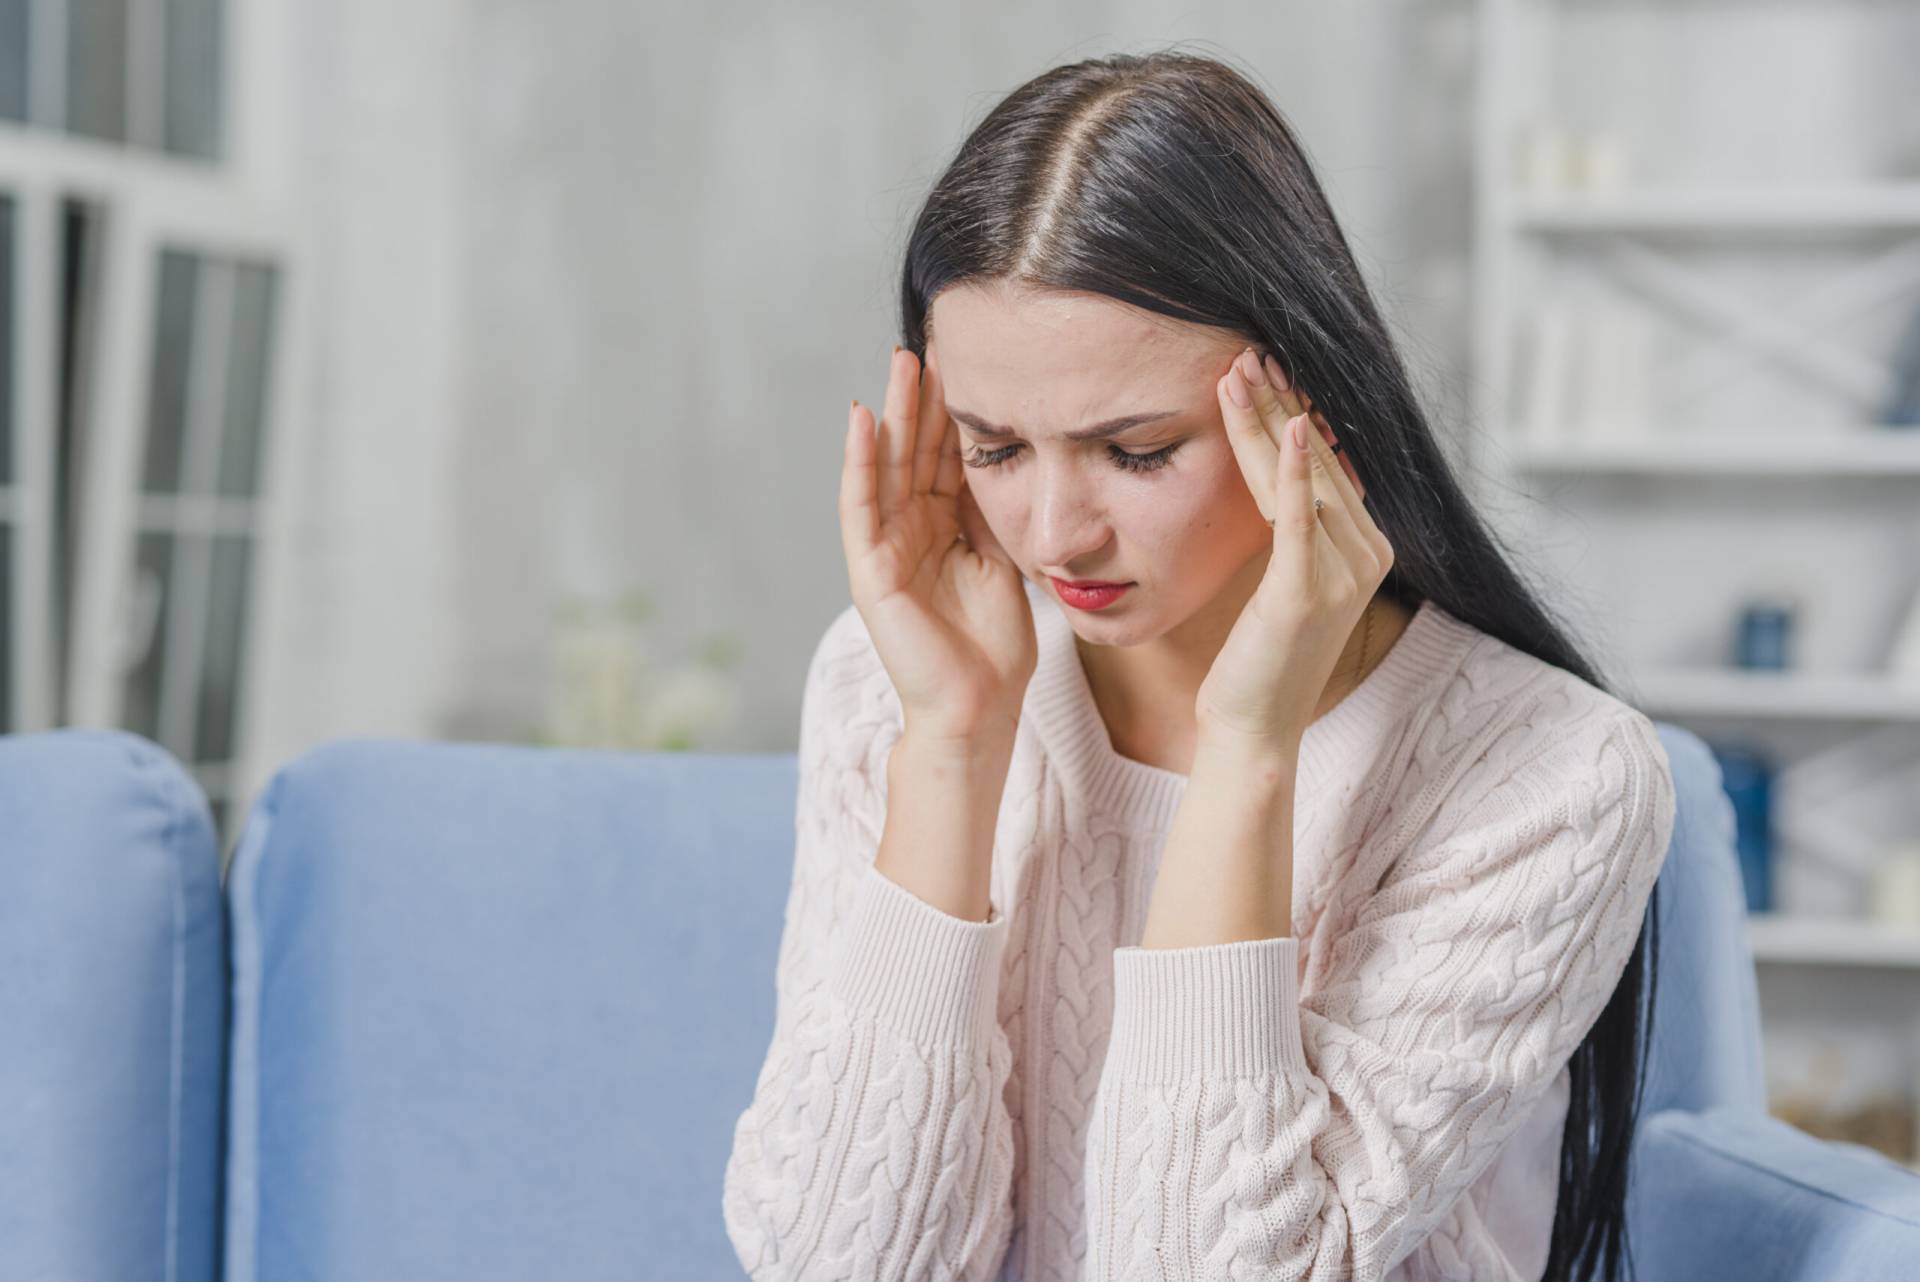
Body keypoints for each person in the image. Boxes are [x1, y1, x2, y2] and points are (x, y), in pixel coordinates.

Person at [723, 49, 1674, 1282]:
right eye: (996, 448)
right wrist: (952, 746)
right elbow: (831, 1264)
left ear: (1309, 408)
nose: (1055, 534)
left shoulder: (1550, 775)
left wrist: (1246, 756)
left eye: (1135, 451)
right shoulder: (891, 682)